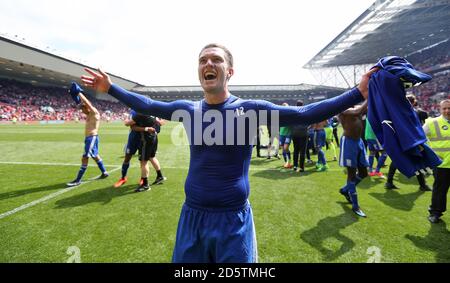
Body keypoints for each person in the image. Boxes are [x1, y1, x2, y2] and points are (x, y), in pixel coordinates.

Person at [81, 43, 375, 263]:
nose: (208, 63)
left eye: (216, 59)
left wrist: (356, 93)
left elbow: (302, 114)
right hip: (192, 218)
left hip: (232, 222)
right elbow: (147, 104)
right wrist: (111, 88)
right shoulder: (189, 110)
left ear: (229, 71)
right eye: (202, 60)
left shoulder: (249, 110)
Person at [384, 94, 431, 191]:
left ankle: (389, 182)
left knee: (400, 160)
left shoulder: (398, 112)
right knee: (417, 160)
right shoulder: (416, 112)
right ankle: (422, 185)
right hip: (412, 140)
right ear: (414, 102)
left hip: (403, 140)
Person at [67, 83, 109, 187]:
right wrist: (76, 99)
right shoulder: (89, 113)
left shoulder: (94, 112)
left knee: (85, 157)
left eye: (83, 109)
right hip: (91, 138)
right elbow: (83, 105)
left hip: (92, 138)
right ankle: (104, 172)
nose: (82, 110)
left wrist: (79, 93)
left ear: (87, 108)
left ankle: (78, 180)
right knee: (95, 156)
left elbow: (86, 103)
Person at [114, 111, 166, 189]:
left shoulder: (144, 112)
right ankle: (123, 178)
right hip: (134, 139)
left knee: (144, 160)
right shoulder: (134, 112)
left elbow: (160, 123)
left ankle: (144, 181)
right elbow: (131, 126)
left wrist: (155, 123)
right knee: (128, 158)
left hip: (144, 139)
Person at [337, 100, 369, 217]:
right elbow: (358, 111)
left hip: (358, 142)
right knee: (351, 173)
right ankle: (355, 206)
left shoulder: (354, 108)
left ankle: (345, 189)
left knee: (364, 173)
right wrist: (371, 93)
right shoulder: (343, 109)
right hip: (349, 143)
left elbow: (365, 109)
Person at [423, 99, 450, 223]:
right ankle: (435, 212)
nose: (447, 110)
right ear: (440, 109)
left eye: (449, 108)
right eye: (444, 108)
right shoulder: (432, 123)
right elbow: (419, 138)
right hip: (441, 164)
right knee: (440, 190)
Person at [129, 112, 167, 192]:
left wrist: (144, 128)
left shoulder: (140, 114)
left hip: (146, 139)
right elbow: (160, 123)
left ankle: (145, 184)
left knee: (143, 161)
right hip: (154, 137)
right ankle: (160, 176)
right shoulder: (151, 112)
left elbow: (127, 124)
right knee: (152, 157)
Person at [291, 100, 309, 172]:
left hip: (295, 133)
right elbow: (309, 122)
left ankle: (295, 166)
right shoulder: (306, 112)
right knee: (302, 151)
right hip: (304, 133)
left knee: (295, 150)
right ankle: (301, 167)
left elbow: (290, 122)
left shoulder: (293, 112)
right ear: (302, 105)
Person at [279, 103, 293, 168]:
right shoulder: (280, 115)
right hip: (281, 134)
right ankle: (286, 162)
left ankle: (289, 162)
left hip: (288, 133)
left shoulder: (290, 115)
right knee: (283, 149)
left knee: (286, 148)